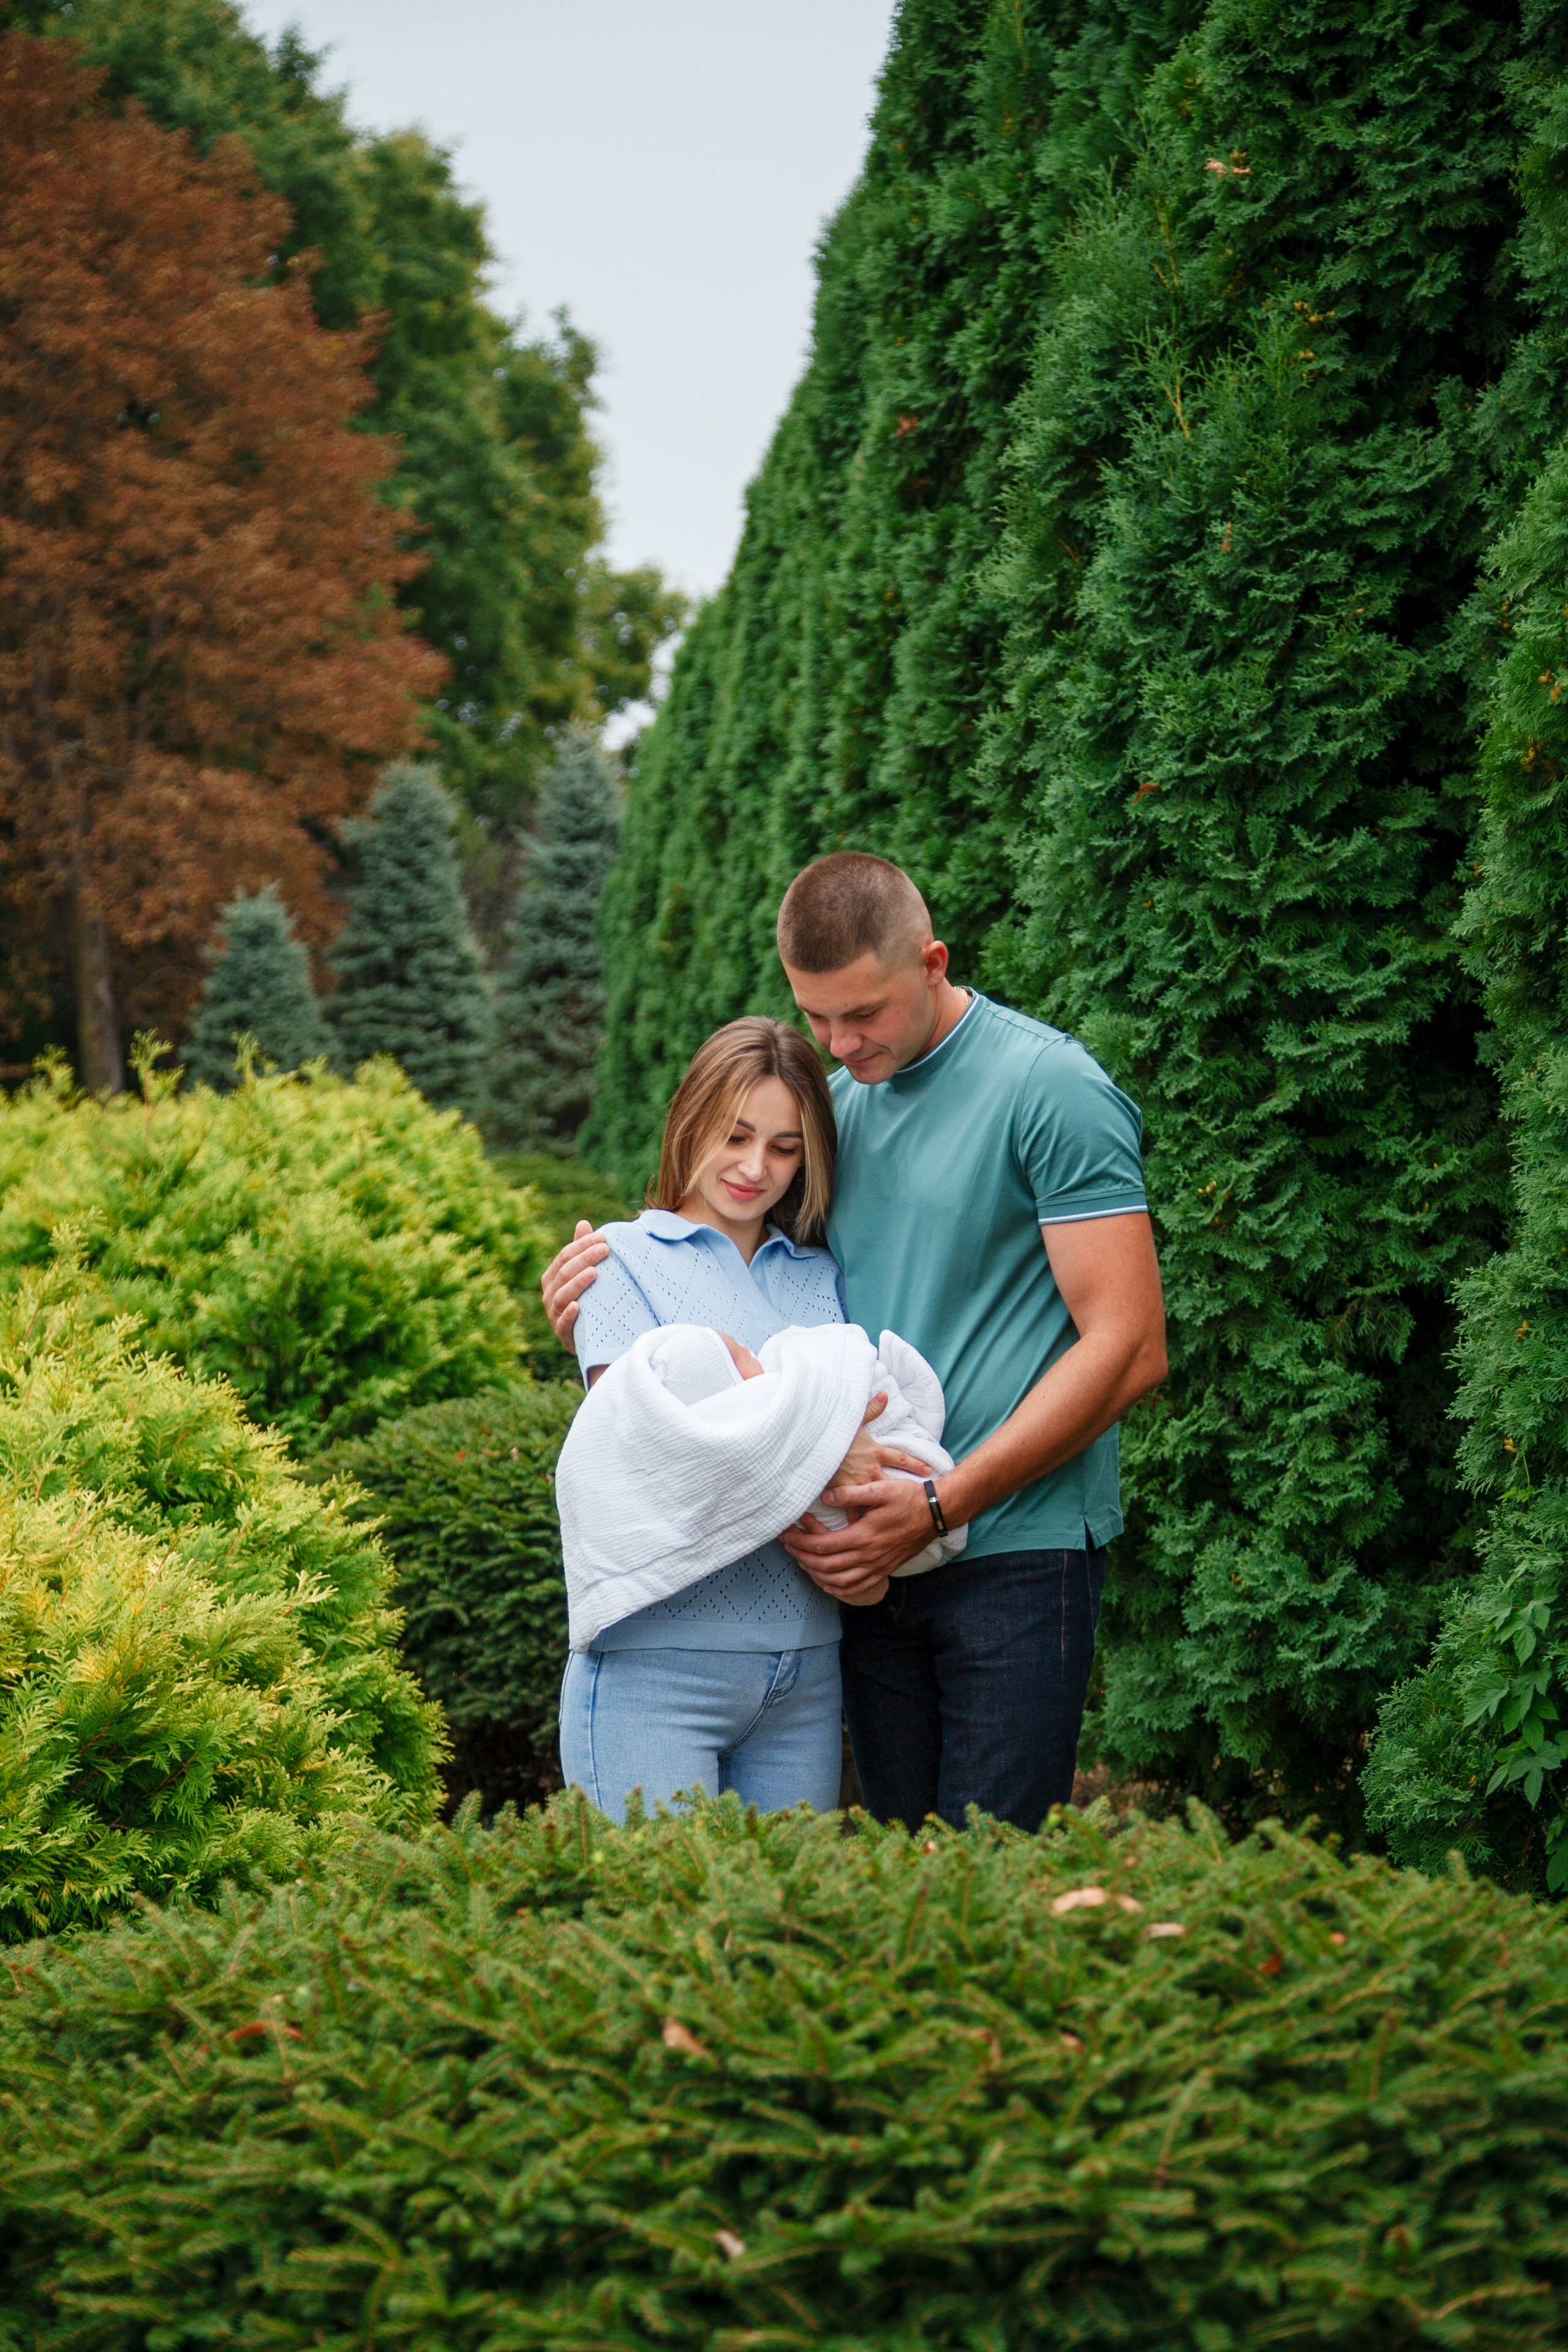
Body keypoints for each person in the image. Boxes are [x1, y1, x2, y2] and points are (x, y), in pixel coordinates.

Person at [545, 853, 1167, 1834]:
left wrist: (938, 1501)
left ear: (932, 961)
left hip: (1013, 1548)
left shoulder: (1049, 1086)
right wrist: (602, 1278)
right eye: (817, 1016)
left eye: (863, 1014)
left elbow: (1129, 1346)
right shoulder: (835, 1113)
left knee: (988, 1879)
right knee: (891, 1887)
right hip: (863, 1575)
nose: (841, 1041)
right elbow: (728, 1264)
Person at [554, 1015, 922, 1822]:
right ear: (691, 1121)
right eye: (735, 1135)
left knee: (781, 1941)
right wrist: (819, 1439)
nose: (757, 1168)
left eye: (786, 1147)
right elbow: (662, 1453)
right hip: (657, 1667)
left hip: (807, 1672)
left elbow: (874, 1435)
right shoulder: (615, 1263)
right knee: (659, 1939)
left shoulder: (822, 1278)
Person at [556, 1318, 965, 1649]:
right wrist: (828, 1434)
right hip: (899, 1524)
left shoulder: (816, 1257)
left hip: (915, 1522)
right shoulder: (767, 1419)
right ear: (733, 1395)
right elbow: (834, 1359)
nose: (753, 1350)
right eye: (737, 1355)